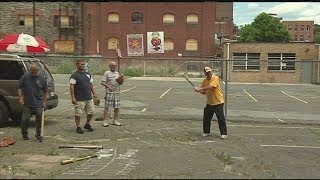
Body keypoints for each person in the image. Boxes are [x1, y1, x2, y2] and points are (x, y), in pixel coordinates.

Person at [194, 67, 228, 139]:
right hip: (210, 103)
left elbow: (211, 87)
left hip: (218, 102)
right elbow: (204, 92)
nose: (209, 73)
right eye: (207, 72)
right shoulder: (204, 81)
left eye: (210, 72)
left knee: (220, 118)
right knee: (206, 117)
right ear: (205, 73)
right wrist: (198, 91)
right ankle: (206, 132)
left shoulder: (215, 78)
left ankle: (224, 133)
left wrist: (199, 88)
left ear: (211, 72)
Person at [18, 63, 47, 141]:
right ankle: (24, 135)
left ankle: (38, 135)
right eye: (31, 70)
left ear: (38, 70)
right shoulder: (25, 77)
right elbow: (19, 87)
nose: (32, 72)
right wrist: (20, 98)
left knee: (39, 121)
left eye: (33, 70)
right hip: (27, 104)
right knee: (24, 120)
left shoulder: (42, 79)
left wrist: (44, 102)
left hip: (38, 104)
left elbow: (45, 92)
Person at [70, 60, 98, 134]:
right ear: (77, 65)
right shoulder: (74, 75)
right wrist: (73, 97)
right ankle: (78, 127)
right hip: (79, 98)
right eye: (81, 64)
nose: (83, 65)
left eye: (84, 64)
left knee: (91, 111)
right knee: (78, 113)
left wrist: (94, 93)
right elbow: (72, 86)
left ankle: (87, 124)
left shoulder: (88, 74)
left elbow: (91, 84)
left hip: (88, 97)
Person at [101, 60, 123, 127]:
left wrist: (121, 79)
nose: (114, 67)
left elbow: (120, 83)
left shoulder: (117, 73)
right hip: (109, 92)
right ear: (109, 66)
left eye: (115, 66)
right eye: (112, 66)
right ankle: (104, 121)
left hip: (117, 92)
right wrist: (109, 87)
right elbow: (102, 82)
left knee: (117, 107)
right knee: (107, 107)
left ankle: (115, 120)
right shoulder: (107, 73)